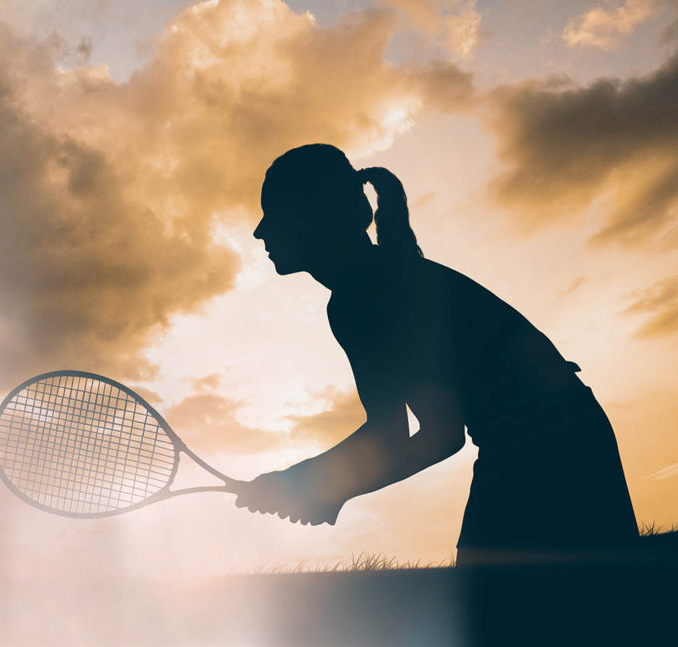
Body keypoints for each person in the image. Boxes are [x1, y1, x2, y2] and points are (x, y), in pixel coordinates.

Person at [235, 143, 639, 565]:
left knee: (506, 612)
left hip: (544, 447)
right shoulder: (373, 285)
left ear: (311, 219)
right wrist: (322, 486)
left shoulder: (361, 300)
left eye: (272, 215)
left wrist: (311, 483)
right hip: (568, 433)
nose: (260, 232)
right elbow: (396, 433)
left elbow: (438, 436)